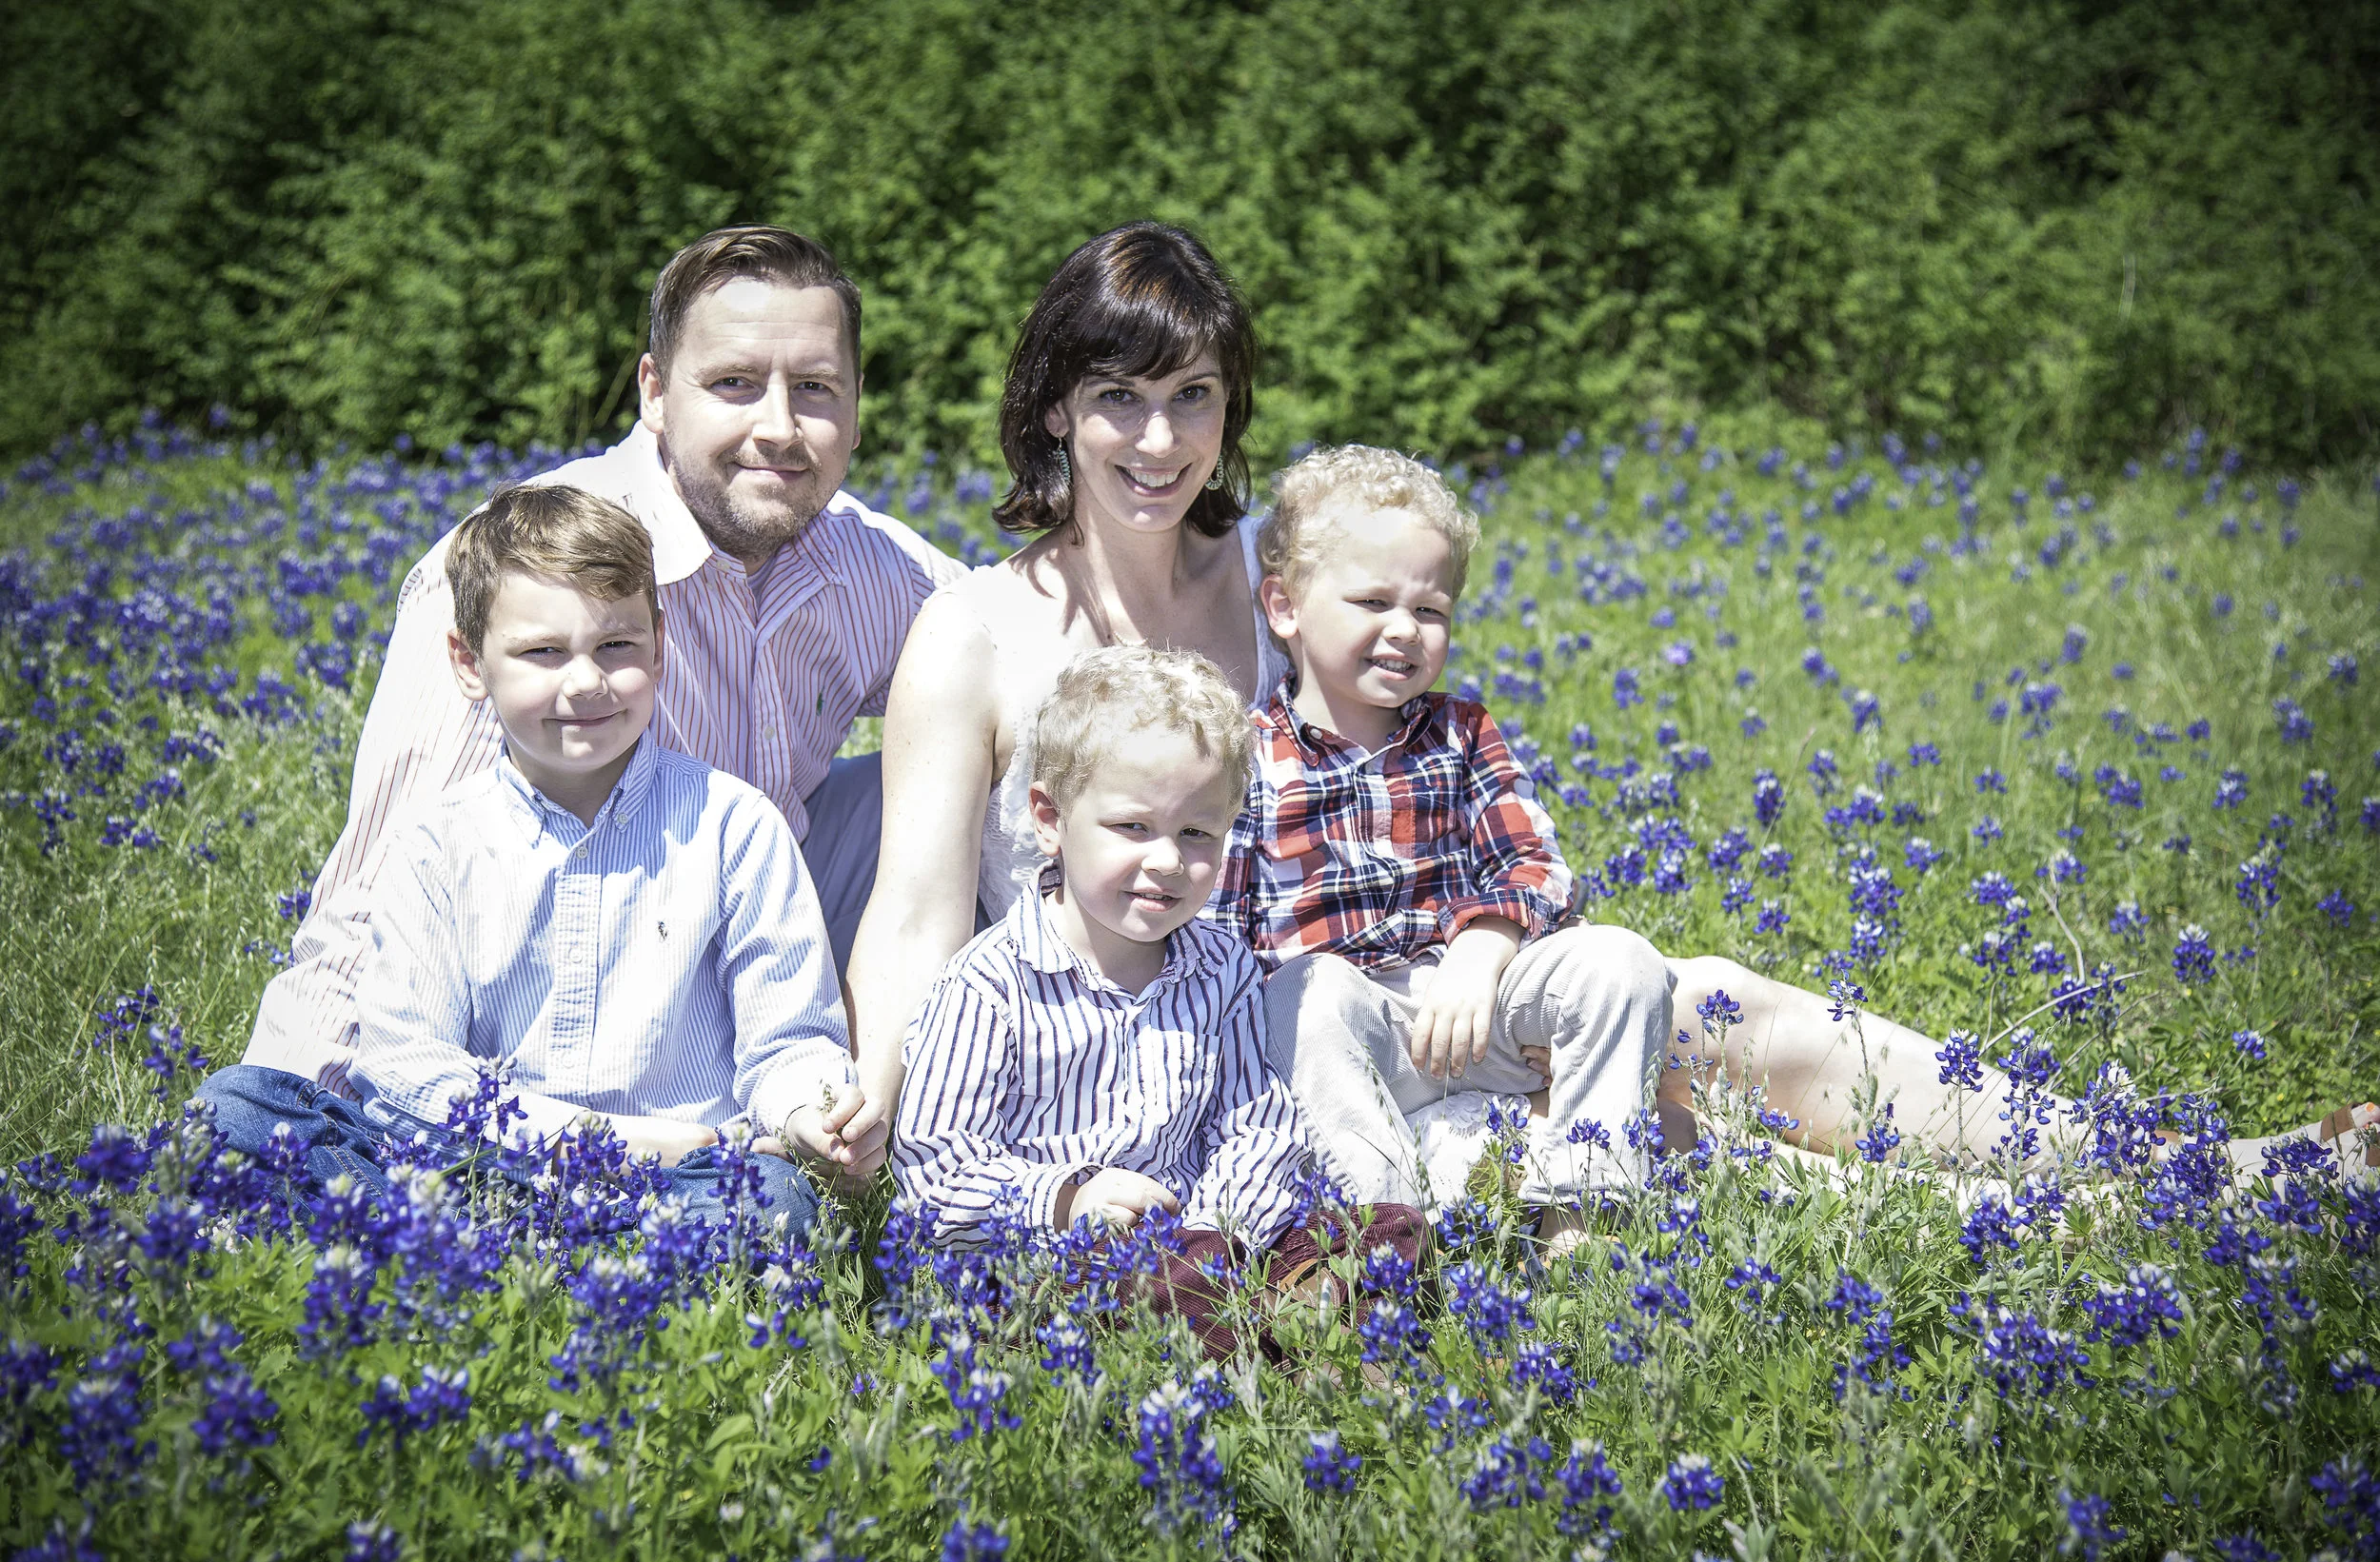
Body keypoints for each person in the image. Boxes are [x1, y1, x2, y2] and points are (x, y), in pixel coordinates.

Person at [241, 227, 962, 1182]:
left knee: (980, 772)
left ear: (857, 411)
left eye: (816, 389)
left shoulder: (867, 563)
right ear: (655, 393)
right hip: (518, 1041)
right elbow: (377, 899)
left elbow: (1034, 663)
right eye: (736, 383)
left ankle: (971, 1139)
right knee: (261, 1127)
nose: (780, 427)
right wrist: (295, 1116)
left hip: (755, 984)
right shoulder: (522, 575)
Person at [195, 486, 859, 1230]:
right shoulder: (437, 842)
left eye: (617, 645)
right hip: (480, 1166)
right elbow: (405, 1068)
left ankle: (492, 1267)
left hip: (684, 1178)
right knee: (236, 1110)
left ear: (660, 644)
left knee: (773, 1204)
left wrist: (812, 1111)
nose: (585, 681)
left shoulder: (736, 825)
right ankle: (566, 1267)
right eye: (543, 652)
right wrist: (589, 1143)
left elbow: (789, 1039)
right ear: (469, 663)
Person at [844, 222, 1285, 1160]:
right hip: (1082, 1085)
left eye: (1193, 396)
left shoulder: (1279, 581)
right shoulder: (971, 634)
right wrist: (876, 1105)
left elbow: (1405, 763)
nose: (1160, 440)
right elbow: (919, 910)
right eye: (1118, 398)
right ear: (1055, 410)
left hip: (1293, 1033)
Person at [892, 645, 1424, 1356]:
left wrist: (1218, 1231)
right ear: (1050, 818)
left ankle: (1275, 1317)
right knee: (1157, 1286)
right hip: (1045, 1265)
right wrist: (1065, 1198)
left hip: (1197, 1241)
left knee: (1387, 1227)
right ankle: (1296, 1335)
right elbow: (936, 1167)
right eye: (1133, 827)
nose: (1168, 860)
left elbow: (1254, 1127)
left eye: (1197, 833)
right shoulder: (989, 984)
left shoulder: (1221, 965)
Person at [1213, 445, 1669, 1245]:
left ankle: (1584, 1212)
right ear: (1283, 607)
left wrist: (1480, 949)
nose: (1404, 630)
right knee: (1304, 994)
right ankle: (1390, 1235)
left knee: (1623, 961)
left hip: (1476, 1006)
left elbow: (1535, 865)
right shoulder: (1244, 756)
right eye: (1372, 601)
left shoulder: (1462, 732)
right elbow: (1218, 933)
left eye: (1430, 611)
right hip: (1350, 1038)